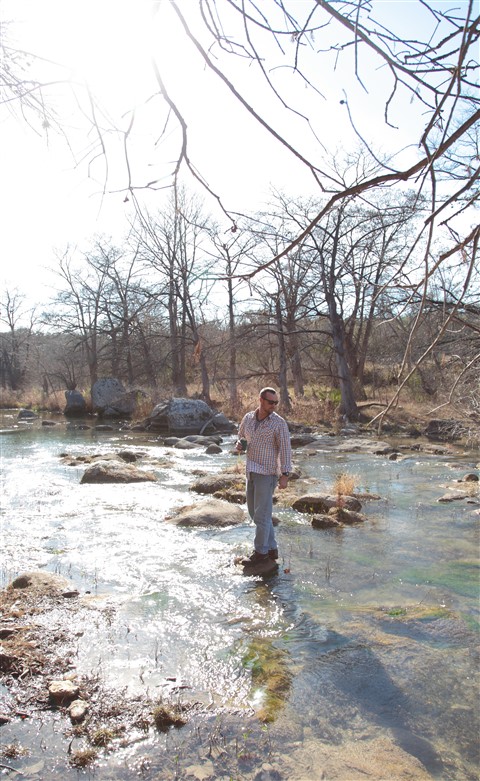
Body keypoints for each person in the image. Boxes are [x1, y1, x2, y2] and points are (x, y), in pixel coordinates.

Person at [235, 387, 292, 566]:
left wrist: (285, 474)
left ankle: (260, 552)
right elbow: (241, 436)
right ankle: (272, 548)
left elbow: (285, 449)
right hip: (251, 471)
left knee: (262, 514)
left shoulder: (279, 423)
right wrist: (239, 445)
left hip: (267, 473)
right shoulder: (248, 418)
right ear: (261, 400)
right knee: (254, 513)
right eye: (270, 402)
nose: (273, 405)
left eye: (276, 403)